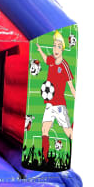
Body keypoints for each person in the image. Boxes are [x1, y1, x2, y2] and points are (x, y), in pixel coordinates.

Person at [36, 30, 76, 162]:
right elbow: (45, 59)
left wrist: (75, 96)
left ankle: (73, 128)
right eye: (54, 46)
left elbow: (71, 86)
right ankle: (45, 158)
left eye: (59, 46)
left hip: (59, 105)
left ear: (62, 49)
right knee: (44, 129)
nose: (55, 49)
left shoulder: (65, 66)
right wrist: (40, 50)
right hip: (49, 103)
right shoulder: (51, 61)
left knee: (68, 132)